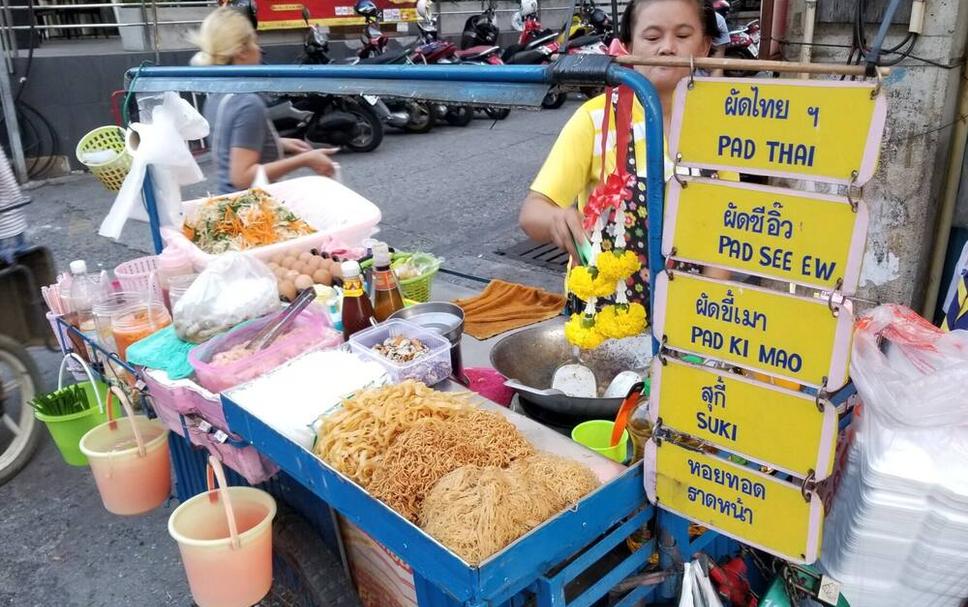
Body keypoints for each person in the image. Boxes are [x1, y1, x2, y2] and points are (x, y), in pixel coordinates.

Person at [519, 0, 733, 310]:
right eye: (652, 37)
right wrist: (556, 219)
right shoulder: (595, 121)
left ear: (704, 45)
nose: (667, 48)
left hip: (687, 315)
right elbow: (532, 213)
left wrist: (705, 313)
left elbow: (724, 234)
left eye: (683, 36)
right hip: (602, 316)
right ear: (629, 46)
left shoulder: (723, 131)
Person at [191, 7, 338, 194]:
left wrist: (279, 143)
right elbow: (241, 177)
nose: (259, 48)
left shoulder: (217, 93)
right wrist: (306, 160)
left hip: (229, 206)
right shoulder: (247, 102)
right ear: (242, 51)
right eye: (254, 41)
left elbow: (231, 144)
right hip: (251, 211)